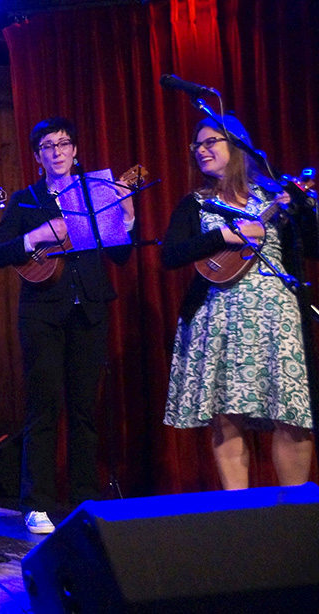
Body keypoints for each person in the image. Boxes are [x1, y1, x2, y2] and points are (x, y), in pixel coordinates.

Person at [0, 117, 134, 534]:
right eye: (48, 146)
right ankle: (37, 503)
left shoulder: (94, 194)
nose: (57, 151)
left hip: (89, 310)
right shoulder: (25, 200)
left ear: (75, 151)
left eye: (64, 143)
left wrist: (126, 215)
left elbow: (120, 255)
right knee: (44, 407)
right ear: (38, 156)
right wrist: (35, 237)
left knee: (85, 409)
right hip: (41, 314)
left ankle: (84, 500)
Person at [162, 116, 317, 489]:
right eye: (196, 145)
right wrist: (223, 236)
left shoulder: (274, 196)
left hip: (277, 318)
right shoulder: (197, 204)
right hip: (219, 320)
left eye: (211, 142)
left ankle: (297, 512)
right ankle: (240, 511)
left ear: (238, 146)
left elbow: (313, 247)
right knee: (226, 416)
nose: (201, 150)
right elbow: (170, 255)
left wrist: (303, 208)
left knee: (292, 412)